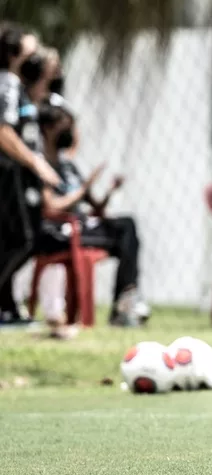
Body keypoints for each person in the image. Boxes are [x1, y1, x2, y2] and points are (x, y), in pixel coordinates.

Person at [35, 96, 150, 326]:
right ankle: (125, 301)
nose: (70, 131)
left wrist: (109, 191)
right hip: (61, 230)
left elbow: (96, 207)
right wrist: (84, 189)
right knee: (125, 231)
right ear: (47, 129)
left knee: (127, 225)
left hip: (83, 224)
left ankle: (126, 297)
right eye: (65, 125)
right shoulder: (41, 164)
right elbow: (50, 206)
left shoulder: (68, 166)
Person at [0, 25, 61, 325]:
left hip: (14, 173)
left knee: (13, 239)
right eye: (31, 50)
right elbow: (3, 131)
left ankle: (7, 306)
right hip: (7, 173)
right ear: (13, 54)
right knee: (22, 239)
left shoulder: (19, 87)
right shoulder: (8, 84)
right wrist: (37, 164)